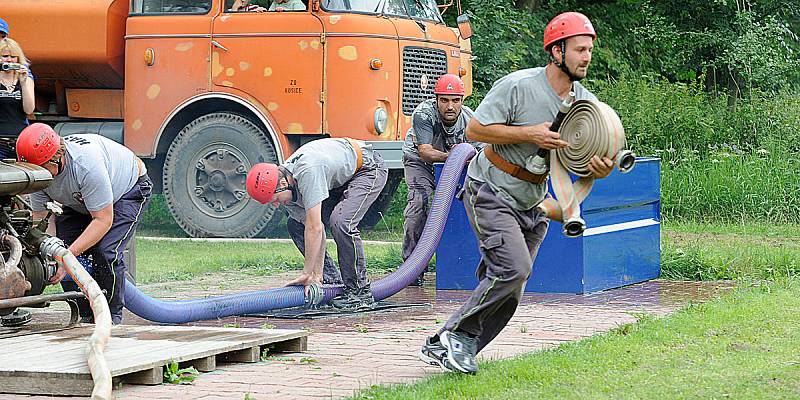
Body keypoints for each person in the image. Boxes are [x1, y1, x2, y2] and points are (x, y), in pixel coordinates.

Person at [418, 12, 615, 374]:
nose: (587, 57)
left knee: (513, 285)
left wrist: (597, 168)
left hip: (532, 202)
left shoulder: (584, 102)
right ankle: (456, 337)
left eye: (589, 50)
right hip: (491, 189)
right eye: (580, 49)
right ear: (556, 51)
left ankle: (450, 343)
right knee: (513, 269)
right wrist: (530, 134)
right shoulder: (518, 86)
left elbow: (578, 158)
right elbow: (475, 132)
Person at [16, 123, 153, 325]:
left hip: (128, 191)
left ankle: (111, 319)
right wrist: (53, 254)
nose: (38, 174)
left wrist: (67, 256)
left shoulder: (85, 166)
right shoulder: (39, 173)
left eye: (41, 168)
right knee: (60, 252)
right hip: (81, 201)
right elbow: (43, 219)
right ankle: (86, 315)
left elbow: (103, 220)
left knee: (106, 253)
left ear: (57, 158)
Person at [247, 138, 388, 309]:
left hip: (367, 168)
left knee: (342, 222)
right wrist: (316, 275)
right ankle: (331, 283)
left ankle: (360, 291)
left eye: (275, 199)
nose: (276, 205)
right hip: (339, 181)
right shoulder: (287, 185)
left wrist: (307, 273)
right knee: (295, 225)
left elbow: (314, 228)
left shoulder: (308, 171)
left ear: (283, 184)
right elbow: (316, 228)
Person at [401, 74, 481, 286]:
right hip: (421, 162)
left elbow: (483, 152)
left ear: (462, 101)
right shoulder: (424, 114)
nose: (450, 106)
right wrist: (453, 156)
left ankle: (463, 263)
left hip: (456, 165)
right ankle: (411, 268)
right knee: (419, 203)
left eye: (455, 100)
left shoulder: (470, 120)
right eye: (444, 100)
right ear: (436, 100)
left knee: (466, 205)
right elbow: (426, 152)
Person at [0, 38, 34, 159]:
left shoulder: (26, 79)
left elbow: (29, 110)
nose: (9, 60)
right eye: (5, 56)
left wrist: (24, 83)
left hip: (21, 142)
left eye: (13, 56)